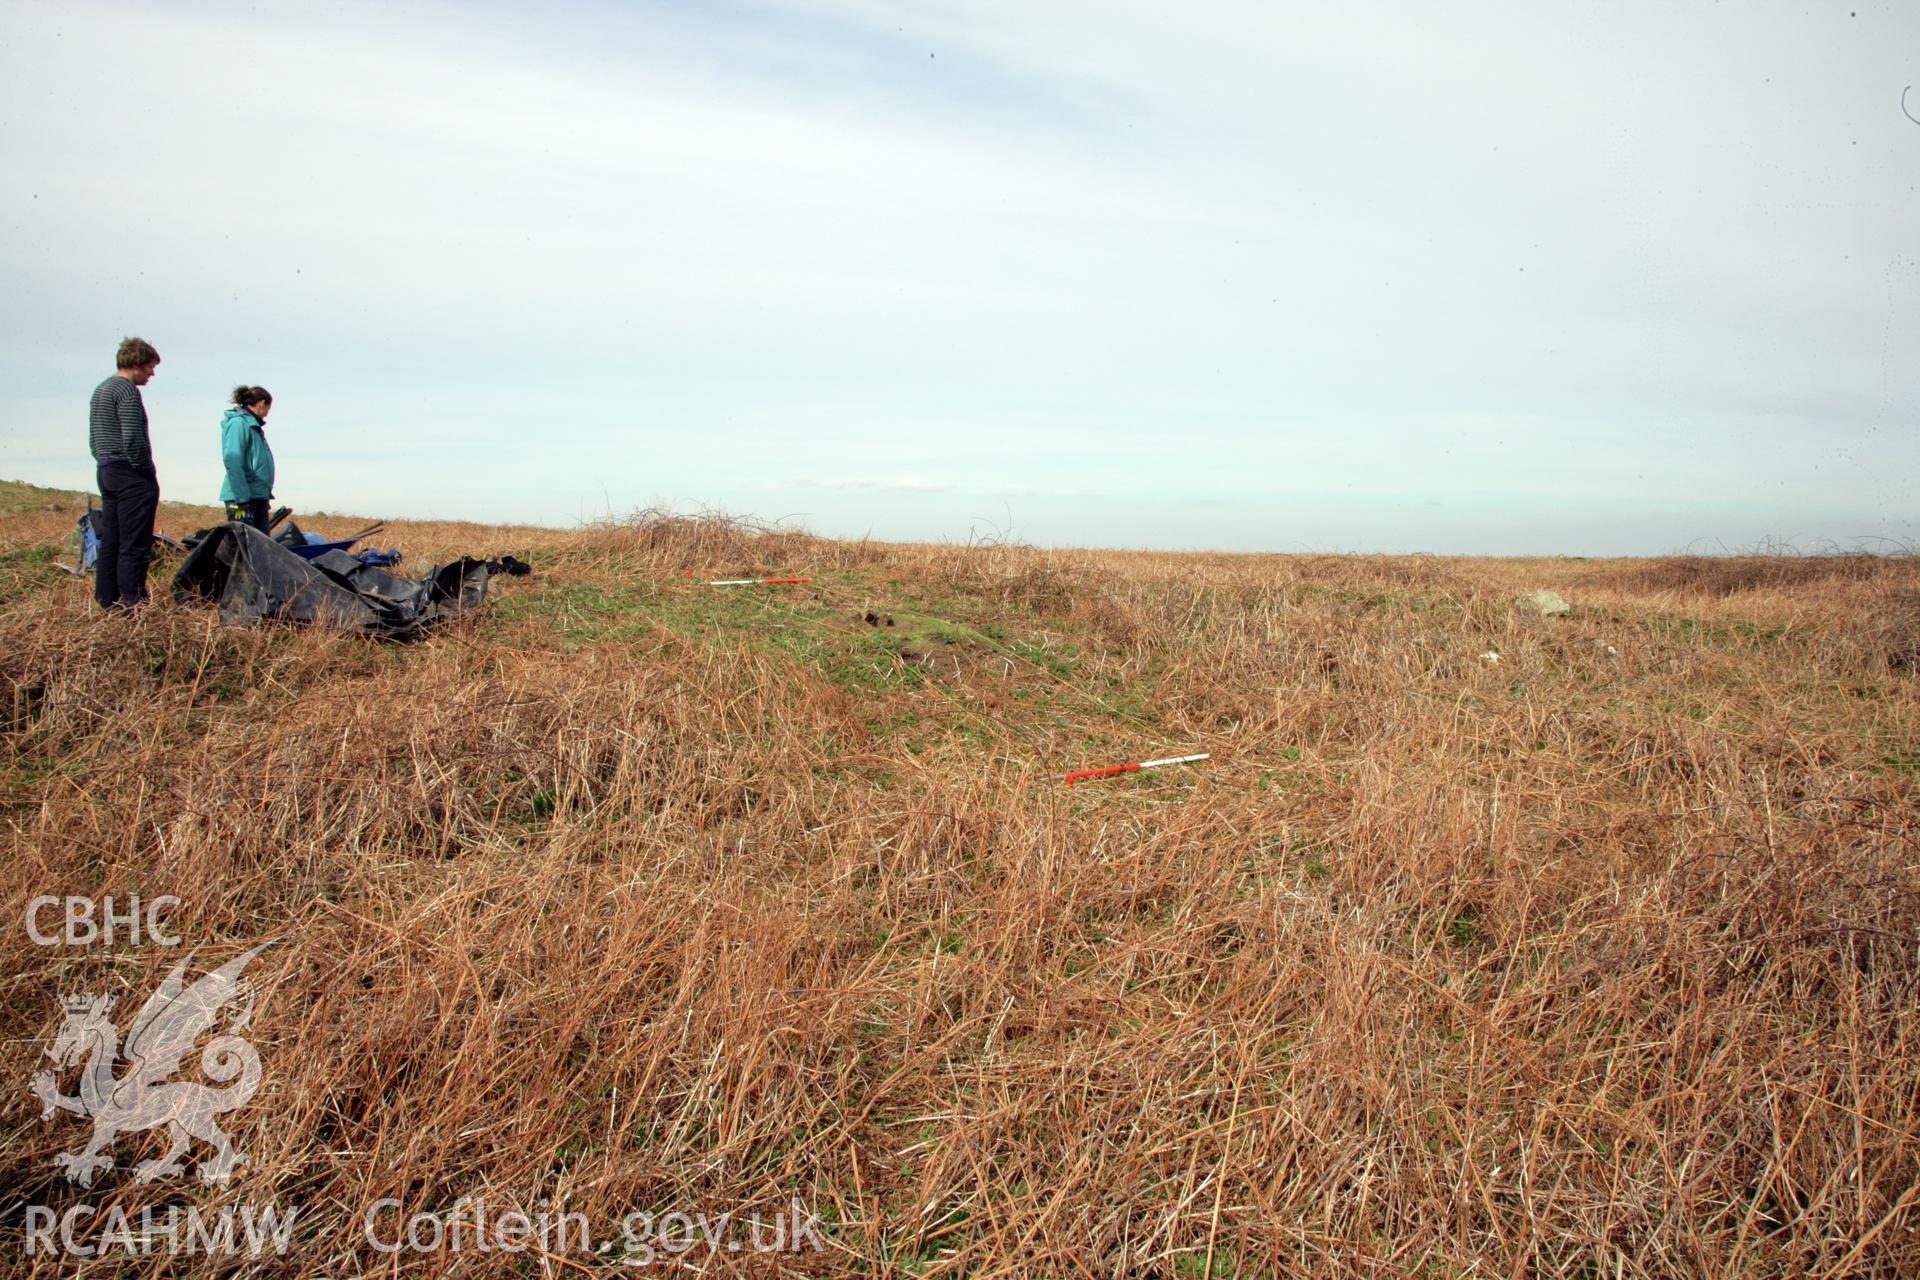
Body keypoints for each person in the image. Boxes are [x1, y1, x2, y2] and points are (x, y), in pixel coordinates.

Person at [87, 337, 162, 611]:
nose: (152, 373)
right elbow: (132, 438)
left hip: (106, 469)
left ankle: (107, 601)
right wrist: (145, 469)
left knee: (111, 542)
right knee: (135, 543)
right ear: (137, 364)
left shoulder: (101, 389)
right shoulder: (127, 391)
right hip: (130, 473)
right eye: (150, 367)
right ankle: (133, 604)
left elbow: (94, 439)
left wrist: (105, 461)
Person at [218, 386, 275, 533]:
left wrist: (263, 495)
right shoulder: (238, 423)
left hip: (257, 496)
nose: (268, 413)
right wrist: (241, 497)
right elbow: (232, 460)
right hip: (242, 500)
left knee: (261, 545)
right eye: (268, 408)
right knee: (242, 544)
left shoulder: (253, 426)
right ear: (262, 403)